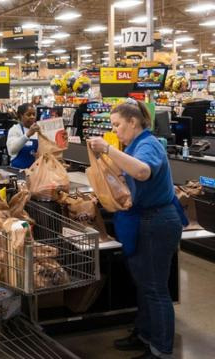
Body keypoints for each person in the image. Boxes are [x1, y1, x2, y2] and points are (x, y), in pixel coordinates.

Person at [88, 99, 184, 359]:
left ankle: (161, 349)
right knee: (144, 285)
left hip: (157, 222)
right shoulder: (134, 145)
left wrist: (108, 147)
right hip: (145, 220)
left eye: (118, 125)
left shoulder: (149, 144)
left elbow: (142, 172)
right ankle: (144, 334)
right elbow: (124, 171)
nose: (115, 130)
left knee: (154, 288)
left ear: (133, 122)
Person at [7, 103, 41, 169]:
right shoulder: (15, 130)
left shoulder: (39, 130)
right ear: (21, 116)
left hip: (35, 172)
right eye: (28, 115)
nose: (32, 117)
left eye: (34, 114)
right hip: (18, 171)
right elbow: (11, 150)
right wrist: (27, 135)